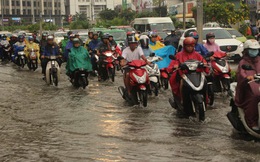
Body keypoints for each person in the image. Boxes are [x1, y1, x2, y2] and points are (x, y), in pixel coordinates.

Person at [168, 37, 208, 103]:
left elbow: (203, 61)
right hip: (184, 74)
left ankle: (206, 98)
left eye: (192, 46)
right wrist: (176, 66)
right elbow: (174, 63)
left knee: (205, 81)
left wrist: (204, 64)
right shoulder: (179, 55)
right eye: (188, 46)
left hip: (196, 74)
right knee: (181, 83)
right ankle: (182, 99)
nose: (190, 48)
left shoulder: (197, 55)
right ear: (184, 46)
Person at [235, 39, 260, 132]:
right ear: (246, 50)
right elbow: (241, 74)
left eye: (256, 49)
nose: (255, 52)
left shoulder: (259, 60)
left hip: (259, 86)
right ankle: (252, 122)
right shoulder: (243, 62)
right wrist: (247, 77)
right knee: (254, 97)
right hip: (247, 87)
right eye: (252, 49)